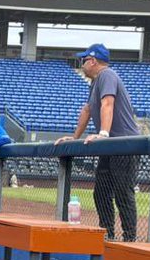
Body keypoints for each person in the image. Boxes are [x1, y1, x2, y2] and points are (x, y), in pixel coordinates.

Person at [56, 44, 139, 242]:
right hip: (110, 145)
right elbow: (87, 109)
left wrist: (103, 133)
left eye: (84, 60)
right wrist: (75, 137)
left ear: (92, 61)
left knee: (122, 192)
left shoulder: (107, 74)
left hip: (124, 143)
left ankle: (129, 238)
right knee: (101, 192)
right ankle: (107, 234)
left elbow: (108, 103)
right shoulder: (95, 83)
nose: (82, 64)